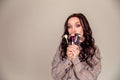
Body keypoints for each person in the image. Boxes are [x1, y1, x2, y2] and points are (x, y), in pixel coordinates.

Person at [51, 13, 101, 80]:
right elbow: (55, 75)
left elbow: (91, 78)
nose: (73, 30)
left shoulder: (93, 50)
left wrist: (75, 59)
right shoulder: (61, 48)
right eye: (69, 27)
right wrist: (68, 59)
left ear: (84, 27)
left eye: (77, 25)